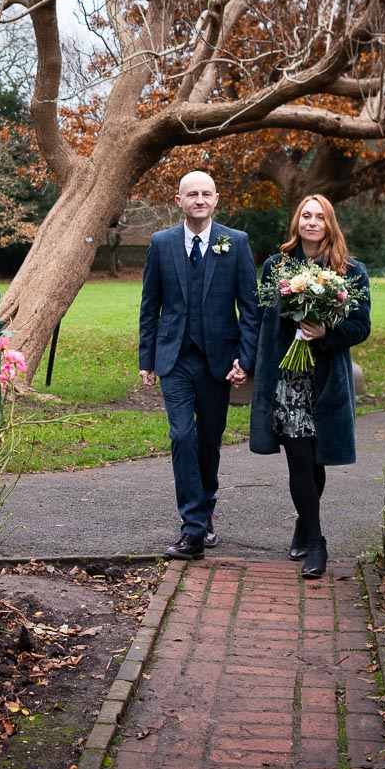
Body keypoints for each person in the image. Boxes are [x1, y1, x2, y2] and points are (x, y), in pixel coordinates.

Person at [248, 194, 372, 580]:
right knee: (299, 459)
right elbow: (263, 318)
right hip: (287, 381)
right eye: (306, 215)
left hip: (326, 383)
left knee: (317, 462)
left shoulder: (351, 271)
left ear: (330, 224)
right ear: (297, 221)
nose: (312, 222)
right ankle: (317, 543)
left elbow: (361, 326)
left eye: (320, 217)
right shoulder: (277, 266)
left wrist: (325, 330)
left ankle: (304, 524)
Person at [139, 170, 260, 561]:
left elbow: (251, 309)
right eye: (192, 194)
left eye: (206, 193)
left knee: (208, 442)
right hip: (174, 359)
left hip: (218, 361)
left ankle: (204, 513)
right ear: (179, 201)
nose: (199, 199)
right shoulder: (162, 243)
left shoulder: (235, 242)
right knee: (181, 436)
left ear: (216, 199)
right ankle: (192, 528)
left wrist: (245, 358)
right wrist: (147, 358)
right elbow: (150, 306)